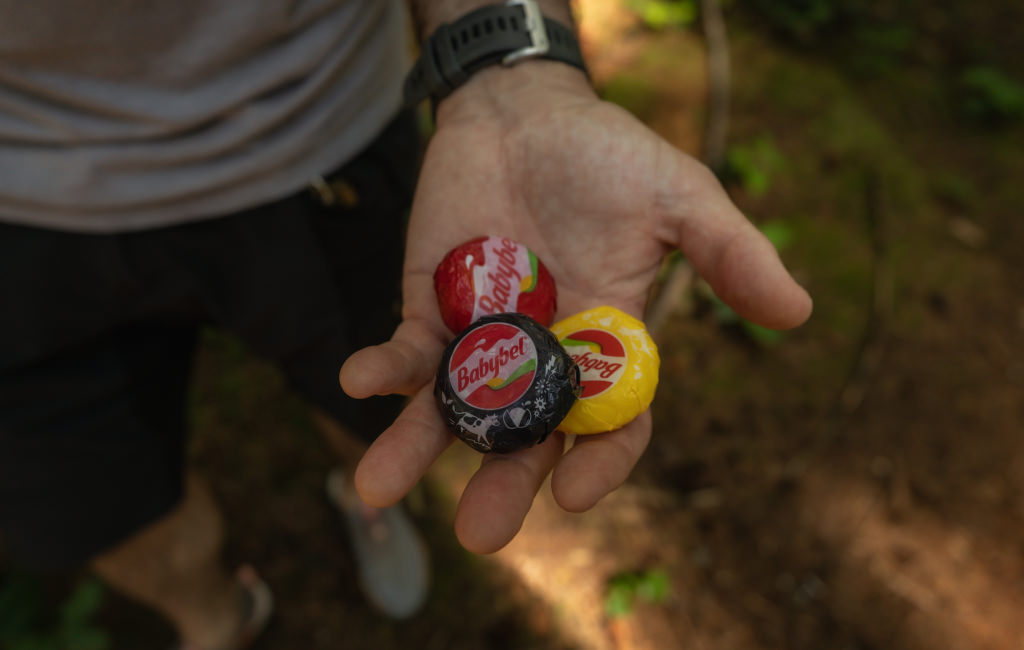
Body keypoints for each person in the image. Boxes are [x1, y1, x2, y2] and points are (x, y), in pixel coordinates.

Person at [0, 0, 812, 648]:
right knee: (88, 499)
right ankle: (212, 620)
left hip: (311, 135)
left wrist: (516, 72)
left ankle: (365, 506)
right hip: (16, 204)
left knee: (372, 394)